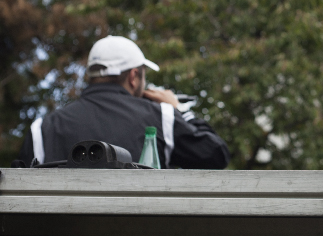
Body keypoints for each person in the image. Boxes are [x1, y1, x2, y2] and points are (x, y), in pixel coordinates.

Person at [18, 35, 230, 169]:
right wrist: (180, 110)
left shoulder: (42, 128)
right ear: (134, 77)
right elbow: (216, 155)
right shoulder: (161, 117)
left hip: (64, 229)